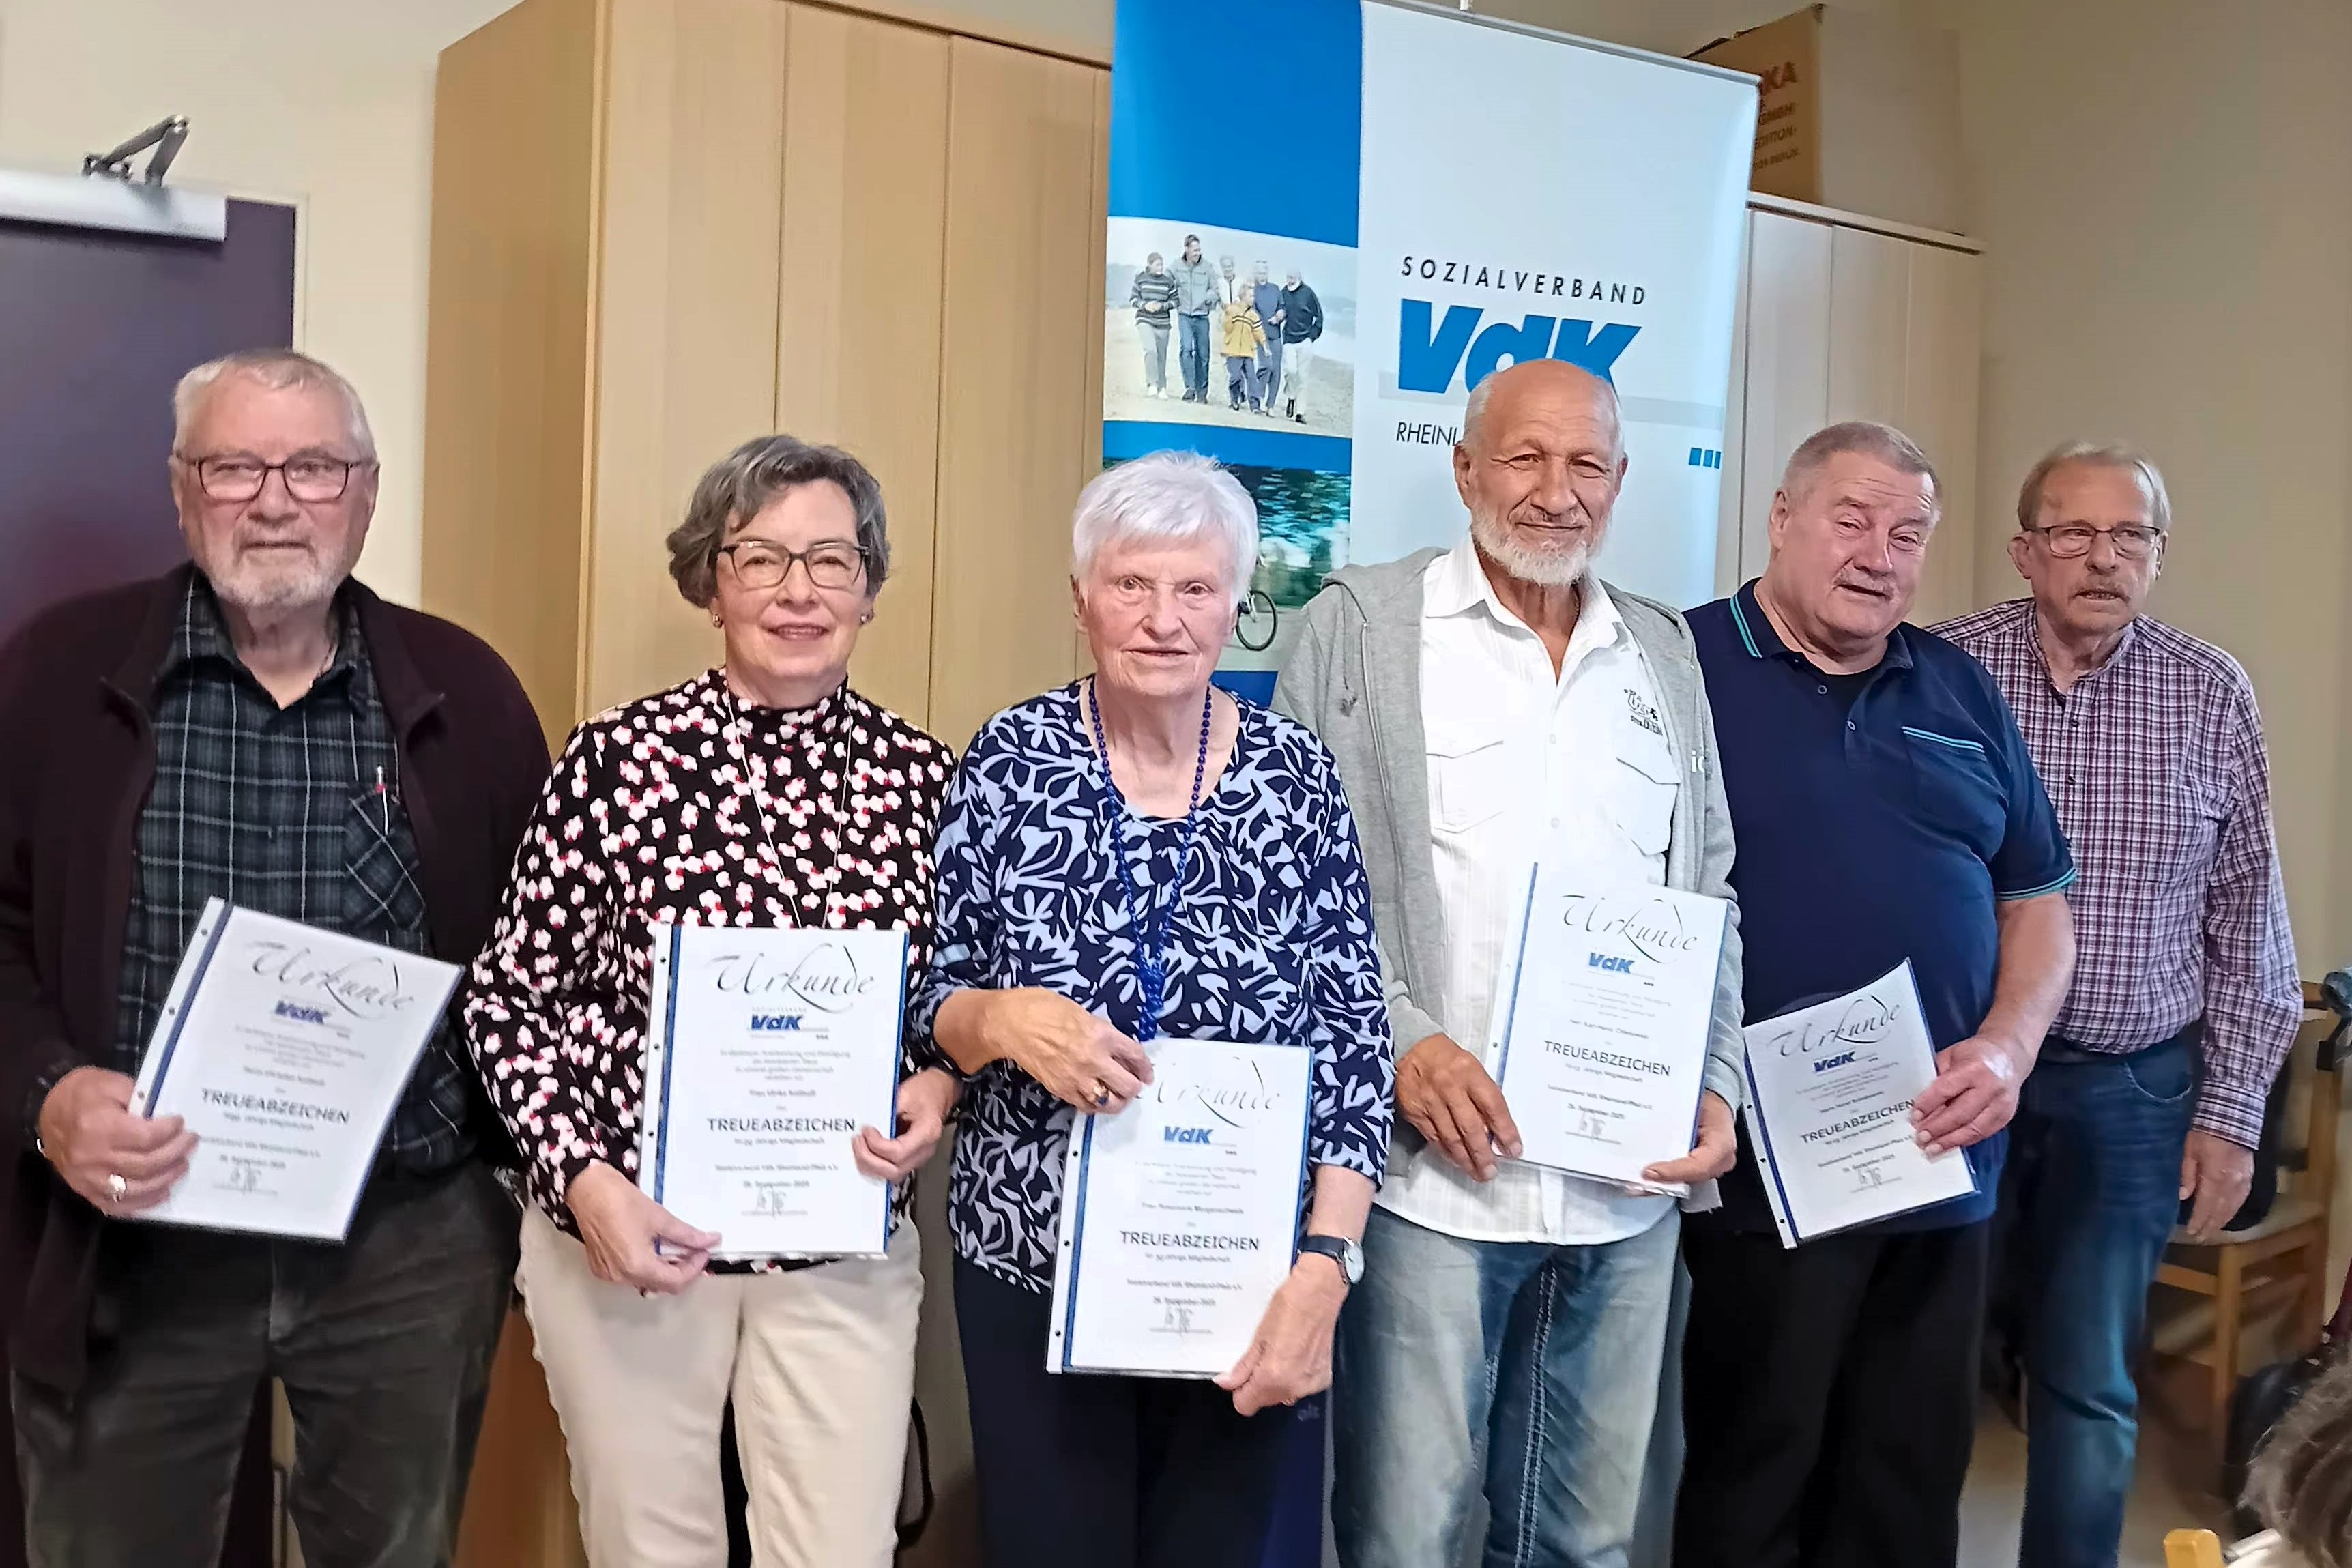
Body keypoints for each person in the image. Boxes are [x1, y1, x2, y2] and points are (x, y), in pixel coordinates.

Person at [0, 349, 549, 1568]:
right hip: (135, 1236)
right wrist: (46, 1093)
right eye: (236, 465)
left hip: (402, 1244)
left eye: (311, 466)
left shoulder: (471, 692)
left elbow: (538, 962)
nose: (274, 499)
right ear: (182, 488)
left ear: (365, 491)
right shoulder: (52, 676)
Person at [1276, 359, 1747, 1568]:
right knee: (1408, 1534)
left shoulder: (1659, 652)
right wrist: (1400, 1037)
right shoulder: (1364, 626)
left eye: (1586, 462)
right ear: (1463, 467)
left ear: (1622, 479)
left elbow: (1710, 891)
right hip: (1436, 1180)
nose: (1555, 491)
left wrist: (1714, 1074)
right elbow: (1295, 887)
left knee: (1584, 1539)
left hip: (1624, 1190)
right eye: (1526, 457)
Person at [462, 435, 957, 1567]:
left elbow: (951, 1004)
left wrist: (941, 1082)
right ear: (710, 578)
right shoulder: (614, 761)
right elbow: (507, 1000)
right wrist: (584, 1185)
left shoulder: (929, 778)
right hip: (633, 1241)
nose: (797, 591)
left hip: (839, 1242)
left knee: (836, 1552)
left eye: (831, 560)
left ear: (870, 589)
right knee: (652, 1550)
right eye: (762, 558)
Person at [912, 450, 1393, 1568]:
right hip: (1032, 1267)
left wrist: (1327, 1263)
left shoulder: (1296, 776)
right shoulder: (1009, 758)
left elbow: (1355, 1046)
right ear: (1080, 601)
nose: (1163, 618)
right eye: (1132, 584)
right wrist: (999, 1020)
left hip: (1244, 1273)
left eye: (1196, 588)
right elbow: (931, 997)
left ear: (1238, 606)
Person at [1675, 421, 2078, 1568]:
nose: (1878, 554)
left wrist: (2005, 1046)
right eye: (1850, 520)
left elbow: (2038, 895)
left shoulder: (1955, 684)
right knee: (1758, 1468)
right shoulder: (1679, 667)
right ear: (1780, 517)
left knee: (1906, 1482)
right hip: (1762, 1172)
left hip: (1940, 1156)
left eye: (1907, 533)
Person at [1934, 442, 2299, 1568]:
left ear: (2155, 553)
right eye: (2073, 532)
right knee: (1924, 1363)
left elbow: (2251, 923)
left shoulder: (2208, 689)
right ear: (2023, 549)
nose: (2102, 557)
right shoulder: (1942, 670)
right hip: (1958, 1078)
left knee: (2087, 1380)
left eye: (2128, 535)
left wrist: (2230, 1116)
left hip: (2133, 1086)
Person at [1171, 235, 1219, 403]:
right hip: (1184, 314)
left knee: (1203, 355)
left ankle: (1202, 393)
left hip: (1202, 317)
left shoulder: (1208, 267)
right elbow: (1168, 284)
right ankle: (1190, 387)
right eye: (1195, 250)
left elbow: (1215, 289)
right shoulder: (1176, 267)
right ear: (1187, 249)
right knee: (1186, 349)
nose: (1198, 253)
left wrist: (1209, 298)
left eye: (1199, 250)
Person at [1276, 268, 1323, 424]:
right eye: (1288, 276)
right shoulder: (1283, 293)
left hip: (1305, 340)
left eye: (1292, 277)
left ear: (1299, 277)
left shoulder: (1308, 293)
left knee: (1303, 377)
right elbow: (1280, 313)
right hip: (1289, 338)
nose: (1289, 279)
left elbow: (1319, 316)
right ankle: (1291, 397)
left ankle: (1300, 413)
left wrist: (1312, 337)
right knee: (1291, 371)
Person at [1129, 251, 1178, 399]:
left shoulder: (1168, 281)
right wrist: (1146, 305)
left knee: (1161, 355)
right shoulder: (1141, 279)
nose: (1161, 267)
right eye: (1157, 265)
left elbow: (1175, 301)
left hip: (1163, 323)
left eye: (1162, 264)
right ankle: (1152, 384)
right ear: (1150, 265)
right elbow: (1133, 299)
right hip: (1145, 320)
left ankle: (1162, 387)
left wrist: (1161, 307)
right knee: (1150, 351)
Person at [1223, 284, 1267, 412]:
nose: (1253, 298)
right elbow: (1227, 328)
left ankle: (1255, 406)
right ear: (1243, 297)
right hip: (1233, 351)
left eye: (1253, 296)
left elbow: (1258, 331)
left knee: (1252, 378)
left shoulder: (1254, 315)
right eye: (1251, 296)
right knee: (1235, 377)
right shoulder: (1233, 310)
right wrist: (1228, 314)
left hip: (1248, 351)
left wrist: (1264, 345)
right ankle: (1234, 399)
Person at [1251, 261, 1286, 417]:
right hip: (1260, 335)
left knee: (1276, 370)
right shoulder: (1253, 290)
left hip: (1276, 335)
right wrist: (1264, 323)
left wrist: (1280, 315)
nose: (1261, 276)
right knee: (1266, 366)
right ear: (1255, 274)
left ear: (1268, 273)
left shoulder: (1275, 289)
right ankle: (1258, 397)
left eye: (1264, 273)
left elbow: (1282, 307)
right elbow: (1253, 312)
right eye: (1259, 273)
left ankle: (1271, 405)